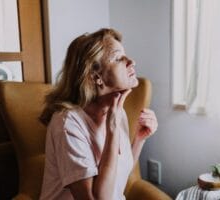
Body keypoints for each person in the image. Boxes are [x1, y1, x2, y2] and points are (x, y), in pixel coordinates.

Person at [39, 28, 158, 200]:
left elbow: (118, 175)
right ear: (96, 76)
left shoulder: (117, 113)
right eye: (118, 58)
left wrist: (139, 139)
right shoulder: (67, 124)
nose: (131, 61)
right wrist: (113, 129)